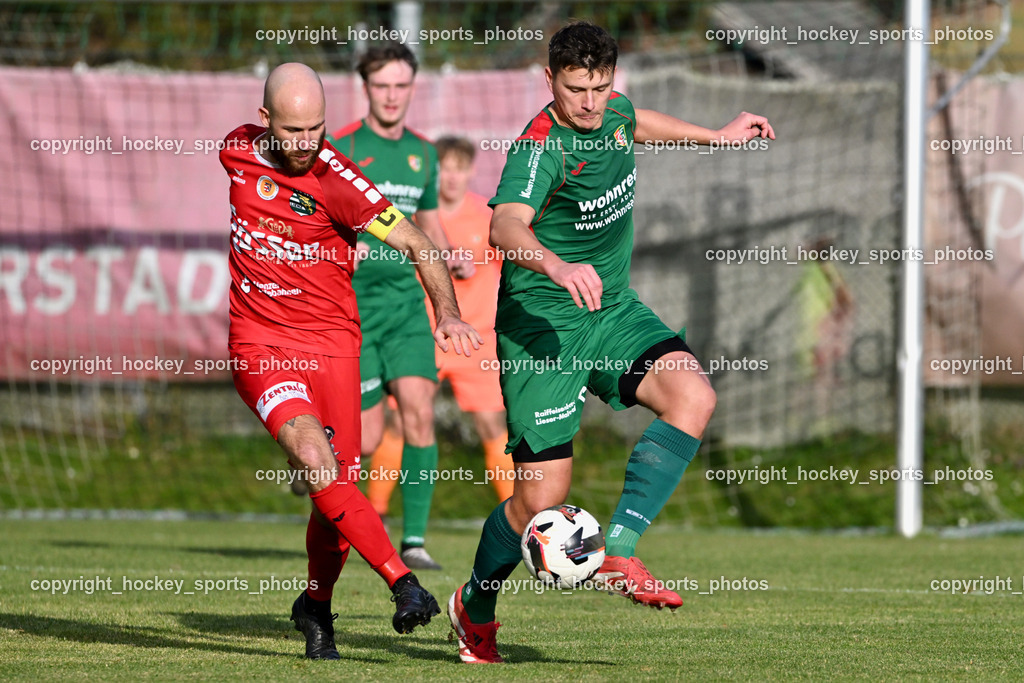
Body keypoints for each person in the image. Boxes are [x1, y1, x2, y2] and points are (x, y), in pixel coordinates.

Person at [446, 21, 775, 664]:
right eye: (576, 90)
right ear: (549, 80)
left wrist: (715, 136)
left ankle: (619, 550)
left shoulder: (614, 110)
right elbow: (505, 226)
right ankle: (475, 605)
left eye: (600, 86)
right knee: (537, 502)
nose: (590, 102)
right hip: (541, 327)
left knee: (694, 396)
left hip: (611, 310)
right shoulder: (539, 147)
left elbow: (637, 123)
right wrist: (557, 265)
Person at [220, 62, 480, 660]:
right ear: (264, 122)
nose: (305, 143)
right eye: (290, 132)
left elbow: (419, 243)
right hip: (259, 343)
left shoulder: (340, 180)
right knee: (316, 460)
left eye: (315, 129)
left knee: (336, 488)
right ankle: (403, 581)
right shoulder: (235, 149)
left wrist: (446, 313)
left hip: (334, 345)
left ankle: (315, 605)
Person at [330, 43, 473, 571]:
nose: (391, 96)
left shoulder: (424, 153)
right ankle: (314, 462)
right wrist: (347, 242)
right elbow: (318, 215)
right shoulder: (340, 147)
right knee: (362, 440)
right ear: (365, 87)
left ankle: (412, 541)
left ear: (412, 88)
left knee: (419, 412)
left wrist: (447, 252)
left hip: (408, 309)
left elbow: (428, 221)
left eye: (401, 85)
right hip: (354, 313)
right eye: (382, 85)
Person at [370, 137, 516, 511]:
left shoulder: (489, 218)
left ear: (470, 171)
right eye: (445, 168)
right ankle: (378, 512)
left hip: (477, 340)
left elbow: (510, 275)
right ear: (435, 172)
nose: (452, 177)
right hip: (426, 335)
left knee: (493, 426)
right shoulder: (417, 220)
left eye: (459, 168)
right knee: (402, 423)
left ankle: (519, 518)